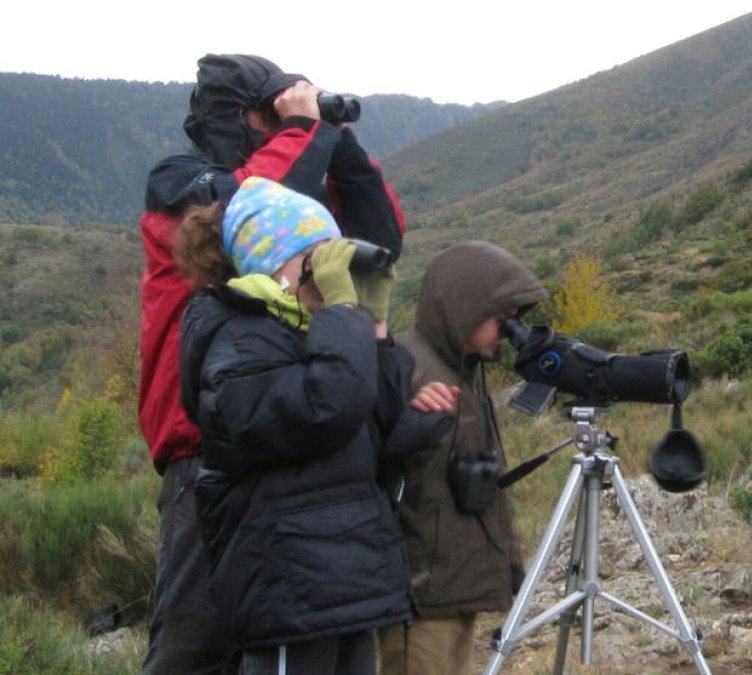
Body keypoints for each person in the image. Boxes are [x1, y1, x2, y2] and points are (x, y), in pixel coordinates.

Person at [138, 53, 405, 674]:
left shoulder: (297, 177)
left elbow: (380, 238)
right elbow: (249, 204)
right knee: (197, 643)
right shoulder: (179, 182)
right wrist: (302, 130)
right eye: (273, 112)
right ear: (239, 119)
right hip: (206, 445)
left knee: (299, 632)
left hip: (299, 445)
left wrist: (339, 140)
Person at [174, 177, 456, 675]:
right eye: (316, 262)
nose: (330, 276)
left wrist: (374, 323)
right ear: (271, 266)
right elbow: (328, 408)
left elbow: (376, 419)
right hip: (288, 585)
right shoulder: (239, 340)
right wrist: (344, 313)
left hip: (345, 578)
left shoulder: (313, 334)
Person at [377, 241, 549, 675]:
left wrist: (508, 560)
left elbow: (488, 481)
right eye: (499, 320)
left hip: (457, 583)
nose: (506, 333)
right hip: (420, 593)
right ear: (463, 309)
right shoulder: (404, 367)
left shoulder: (464, 370)